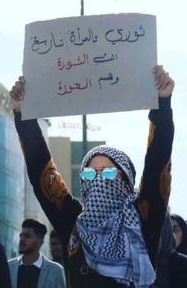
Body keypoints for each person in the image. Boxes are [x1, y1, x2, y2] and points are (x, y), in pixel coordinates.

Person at [10, 65, 175, 287]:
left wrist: (163, 103)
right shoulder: (73, 223)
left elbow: (157, 163)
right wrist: (23, 114)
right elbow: (41, 171)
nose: (98, 180)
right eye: (90, 173)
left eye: (107, 173)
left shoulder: (143, 217)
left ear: (125, 181)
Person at [7, 219, 66, 288]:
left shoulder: (55, 270)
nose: (21, 239)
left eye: (27, 236)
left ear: (40, 242)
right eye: (21, 235)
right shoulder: (9, 267)